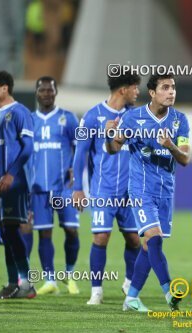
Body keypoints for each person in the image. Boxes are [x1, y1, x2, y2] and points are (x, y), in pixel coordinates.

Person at [105, 73, 190, 312]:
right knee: (154, 239)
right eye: (165, 87)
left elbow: (185, 158)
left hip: (165, 192)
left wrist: (170, 146)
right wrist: (109, 135)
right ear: (152, 93)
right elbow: (113, 149)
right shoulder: (133, 118)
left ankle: (131, 298)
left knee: (148, 246)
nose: (171, 92)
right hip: (141, 189)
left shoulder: (179, 120)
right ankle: (169, 291)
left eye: (173, 87)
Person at [72, 69, 141, 304]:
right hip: (103, 189)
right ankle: (96, 291)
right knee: (101, 238)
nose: (138, 92)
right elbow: (80, 152)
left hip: (130, 191)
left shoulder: (135, 116)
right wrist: (77, 189)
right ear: (124, 89)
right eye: (135, 87)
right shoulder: (92, 116)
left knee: (134, 240)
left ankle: (130, 283)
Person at [28, 76, 80, 295]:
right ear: (37, 93)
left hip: (64, 188)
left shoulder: (68, 118)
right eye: (43, 90)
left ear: (56, 92)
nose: (47, 94)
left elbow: (80, 147)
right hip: (38, 188)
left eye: (50, 90)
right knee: (44, 233)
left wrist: (75, 172)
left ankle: (69, 274)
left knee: (71, 230)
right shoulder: (29, 120)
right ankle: (50, 280)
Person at [0, 70, 36, 299]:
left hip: (14, 183)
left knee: (11, 230)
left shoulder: (20, 112)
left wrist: (10, 175)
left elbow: (28, 147)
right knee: (7, 233)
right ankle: (12, 283)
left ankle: (27, 283)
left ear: (4, 88)